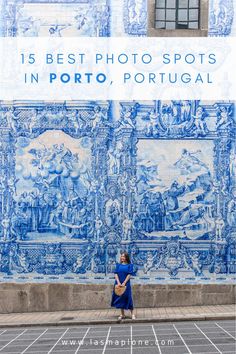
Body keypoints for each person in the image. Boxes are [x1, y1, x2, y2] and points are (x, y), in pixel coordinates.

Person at [111, 252, 136, 320]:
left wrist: (124, 282)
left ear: (126, 257)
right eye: (121, 256)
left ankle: (132, 314)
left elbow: (129, 274)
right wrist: (118, 282)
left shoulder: (129, 265)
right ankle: (122, 314)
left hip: (126, 283)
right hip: (118, 283)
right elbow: (116, 273)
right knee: (120, 298)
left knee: (128, 297)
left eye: (123, 256)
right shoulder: (118, 265)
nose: (122, 258)